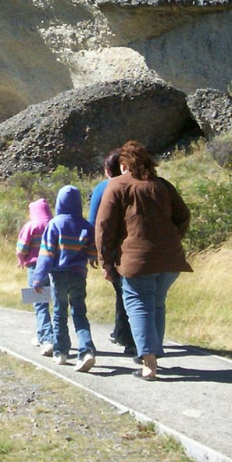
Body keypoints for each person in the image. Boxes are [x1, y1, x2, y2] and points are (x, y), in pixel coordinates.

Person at [96, 140, 191, 381]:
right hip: (169, 260)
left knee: (139, 306)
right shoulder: (162, 185)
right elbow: (183, 216)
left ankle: (149, 364)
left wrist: (106, 261)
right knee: (157, 305)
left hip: (136, 261)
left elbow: (104, 227)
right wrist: (172, 239)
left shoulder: (117, 185)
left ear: (124, 165)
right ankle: (152, 356)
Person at [31, 185, 99, 373]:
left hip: (59, 276)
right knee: (79, 312)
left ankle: (61, 352)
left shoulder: (54, 224)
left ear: (59, 202)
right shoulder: (86, 225)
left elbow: (46, 255)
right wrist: (92, 258)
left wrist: (38, 279)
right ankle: (87, 350)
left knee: (60, 312)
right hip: (78, 274)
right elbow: (92, 251)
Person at [88, 149, 137, 355]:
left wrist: (93, 251)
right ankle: (123, 333)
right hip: (136, 245)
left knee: (124, 292)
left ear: (108, 170)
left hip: (114, 249)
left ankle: (128, 338)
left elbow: (94, 222)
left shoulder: (103, 188)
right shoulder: (139, 185)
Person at [16, 197, 54, 355]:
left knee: (40, 304)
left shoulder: (31, 226)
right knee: (55, 302)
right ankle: (42, 335)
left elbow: (22, 247)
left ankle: (47, 338)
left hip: (35, 268)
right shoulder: (53, 224)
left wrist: (20, 259)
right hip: (53, 267)